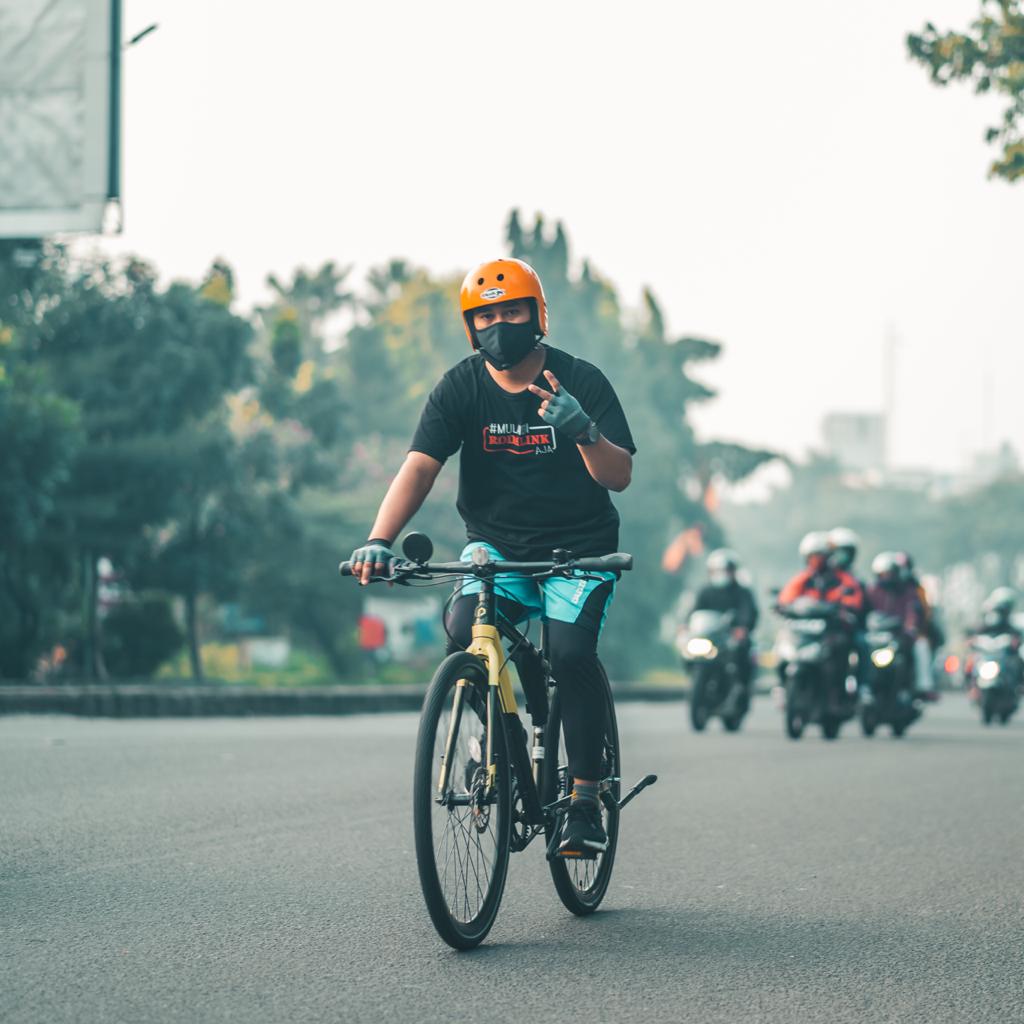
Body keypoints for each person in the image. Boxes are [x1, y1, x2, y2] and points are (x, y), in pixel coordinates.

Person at [347, 257, 635, 858]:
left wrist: (584, 431)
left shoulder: (580, 380)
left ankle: (584, 800)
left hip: (579, 550)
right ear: (470, 326)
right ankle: (503, 740)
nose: (498, 326)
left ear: (537, 315)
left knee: (570, 653)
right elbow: (420, 466)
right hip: (496, 548)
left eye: (512, 312)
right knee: (464, 629)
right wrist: (379, 539)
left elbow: (619, 476)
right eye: (485, 317)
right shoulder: (460, 387)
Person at [692, 549, 758, 697]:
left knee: (742, 651)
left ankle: (740, 686)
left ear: (733, 571)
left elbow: (748, 612)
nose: (721, 574)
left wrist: (743, 627)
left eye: (725, 570)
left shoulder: (742, 592)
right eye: (716, 571)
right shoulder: (705, 591)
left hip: (731, 637)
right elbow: (694, 611)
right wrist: (685, 625)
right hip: (711, 638)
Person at [866, 551, 928, 696]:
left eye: (889, 573)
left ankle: (919, 687)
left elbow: (913, 612)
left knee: (918, 649)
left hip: (899, 636)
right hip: (876, 637)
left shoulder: (908, 591)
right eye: (882, 574)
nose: (886, 577)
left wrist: (910, 628)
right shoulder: (872, 591)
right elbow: (864, 611)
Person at [777, 532, 864, 617]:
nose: (816, 560)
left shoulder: (843, 578)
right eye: (812, 556)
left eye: (820, 555)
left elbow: (852, 603)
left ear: (828, 555)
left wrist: (834, 608)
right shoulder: (803, 578)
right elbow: (786, 599)